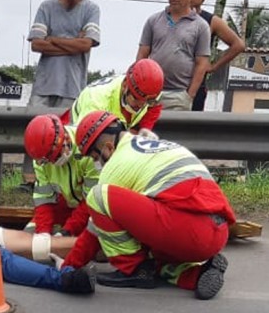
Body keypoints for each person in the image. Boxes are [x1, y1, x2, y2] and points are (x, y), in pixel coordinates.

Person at [62, 110, 235, 300]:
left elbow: (94, 230)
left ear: (108, 148)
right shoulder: (155, 145)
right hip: (217, 231)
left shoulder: (116, 165)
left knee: (98, 196)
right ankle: (199, 275)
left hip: (190, 230)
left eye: (95, 158)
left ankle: (135, 270)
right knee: (151, 255)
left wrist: (68, 267)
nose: (96, 164)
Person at [21, 0, 101, 188]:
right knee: (35, 129)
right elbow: (36, 44)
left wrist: (53, 40)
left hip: (73, 85)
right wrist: (71, 43)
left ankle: (63, 182)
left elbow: (86, 45)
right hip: (45, 83)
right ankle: (30, 178)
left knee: (68, 137)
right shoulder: (47, 7)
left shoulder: (91, 9)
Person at [136, 0, 210, 111]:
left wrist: (189, 95)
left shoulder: (201, 26)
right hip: (150, 95)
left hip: (179, 96)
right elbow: (141, 56)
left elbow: (202, 64)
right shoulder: (153, 21)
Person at [22, 114, 99, 236]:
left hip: (93, 211)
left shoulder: (89, 151)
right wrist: (43, 234)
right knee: (28, 237)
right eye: (48, 160)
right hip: (65, 206)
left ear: (65, 138)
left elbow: (92, 201)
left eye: (55, 157)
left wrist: (67, 231)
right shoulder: (41, 161)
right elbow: (44, 201)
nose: (52, 162)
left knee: (83, 244)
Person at [190, 0, 246, 111]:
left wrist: (214, 67)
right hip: (171, 84)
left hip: (196, 85)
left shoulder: (211, 21)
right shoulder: (172, 17)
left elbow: (238, 45)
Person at [67, 58, 164, 135]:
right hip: (78, 134)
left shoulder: (151, 95)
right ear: (125, 85)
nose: (141, 106)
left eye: (148, 101)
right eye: (136, 99)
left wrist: (144, 129)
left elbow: (154, 106)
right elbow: (88, 139)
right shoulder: (96, 99)